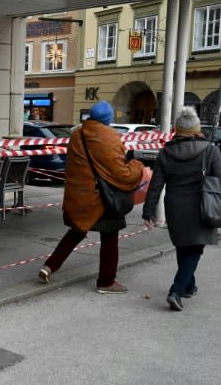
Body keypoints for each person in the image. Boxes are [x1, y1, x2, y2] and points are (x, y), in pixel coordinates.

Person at [38, 101, 144, 293]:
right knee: (110, 237)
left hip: (79, 197)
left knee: (76, 231)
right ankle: (106, 282)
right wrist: (136, 165)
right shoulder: (109, 137)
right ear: (108, 119)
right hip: (101, 199)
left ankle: (49, 266)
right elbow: (122, 174)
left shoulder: (77, 134)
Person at [142, 107, 221, 311]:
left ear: (177, 130)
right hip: (202, 207)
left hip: (175, 208)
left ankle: (188, 286)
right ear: (196, 129)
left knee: (184, 246)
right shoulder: (211, 150)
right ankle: (176, 291)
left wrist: (148, 211)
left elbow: (156, 185)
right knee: (194, 250)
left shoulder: (166, 152)